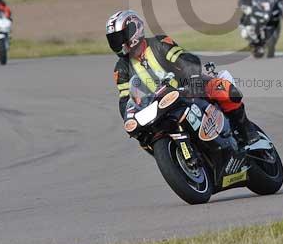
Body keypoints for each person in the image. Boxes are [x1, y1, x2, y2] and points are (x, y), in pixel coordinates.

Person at [106, 10, 259, 144]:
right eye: (113, 39)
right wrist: (129, 119)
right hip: (156, 107)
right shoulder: (121, 69)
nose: (118, 43)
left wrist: (192, 78)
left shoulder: (160, 43)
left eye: (120, 37)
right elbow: (125, 100)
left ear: (135, 29)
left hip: (186, 88)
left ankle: (245, 128)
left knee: (226, 91)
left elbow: (186, 59)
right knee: (143, 138)